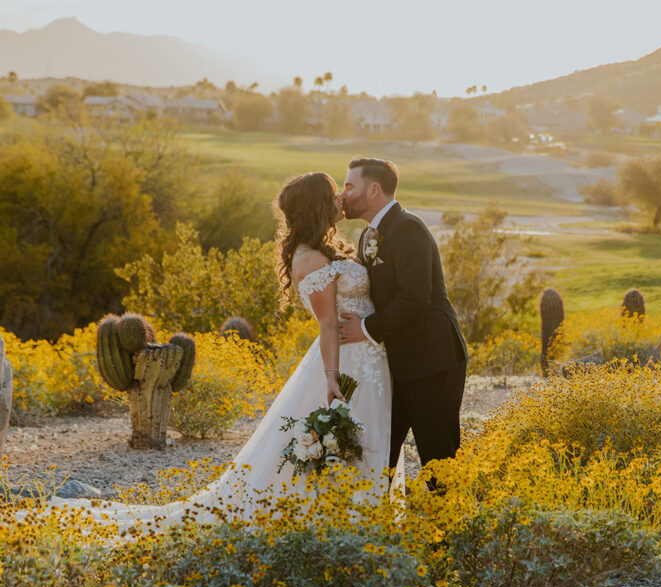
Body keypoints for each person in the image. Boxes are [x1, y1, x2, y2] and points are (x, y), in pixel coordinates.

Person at [25, 172, 398, 535]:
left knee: (366, 437)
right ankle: (340, 521)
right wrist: (331, 377)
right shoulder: (310, 259)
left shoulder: (324, 250)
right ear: (317, 206)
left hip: (367, 357)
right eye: (333, 193)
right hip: (343, 362)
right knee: (341, 439)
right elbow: (328, 324)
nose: (340, 200)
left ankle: (362, 518)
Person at [339, 157, 468, 475]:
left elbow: (415, 298)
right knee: (381, 452)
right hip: (395, 364)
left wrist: (365, 329)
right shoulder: (369, 235)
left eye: (349, 185)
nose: (344, 194)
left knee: (439, 458)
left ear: (373, 190)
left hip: (432, 361)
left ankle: (455, 524)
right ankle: (373, 522)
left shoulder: (408, 228)